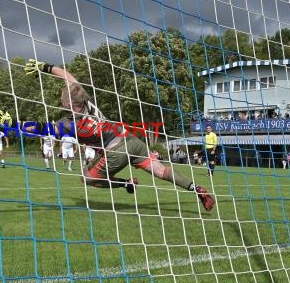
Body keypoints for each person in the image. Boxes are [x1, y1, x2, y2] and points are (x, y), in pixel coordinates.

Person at [18, 58, 214, 211]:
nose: (61, 102)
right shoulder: (87, 100)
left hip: (116, 151)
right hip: (131, 140)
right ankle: (196, 188)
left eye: (62, 100)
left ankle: (125, 183)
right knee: (160, 171)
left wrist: (12, 124)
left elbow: (40, 128)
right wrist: (43, 67)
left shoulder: (71, 124)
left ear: (69, 104)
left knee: (86, 178)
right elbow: (66, 75)